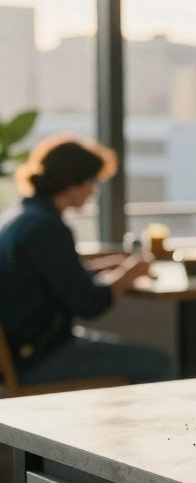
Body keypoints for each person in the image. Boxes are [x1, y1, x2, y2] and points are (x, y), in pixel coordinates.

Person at [0, 135, 173, 386]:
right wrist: (127, 275)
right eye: (92, 182)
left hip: (22, 351)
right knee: (157, 363)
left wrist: (101, 267)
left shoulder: (20, 217)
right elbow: (89, 304)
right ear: (72, 184)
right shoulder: (48, 229)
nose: (94, 191)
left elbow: (51, 278)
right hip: (38, 357)